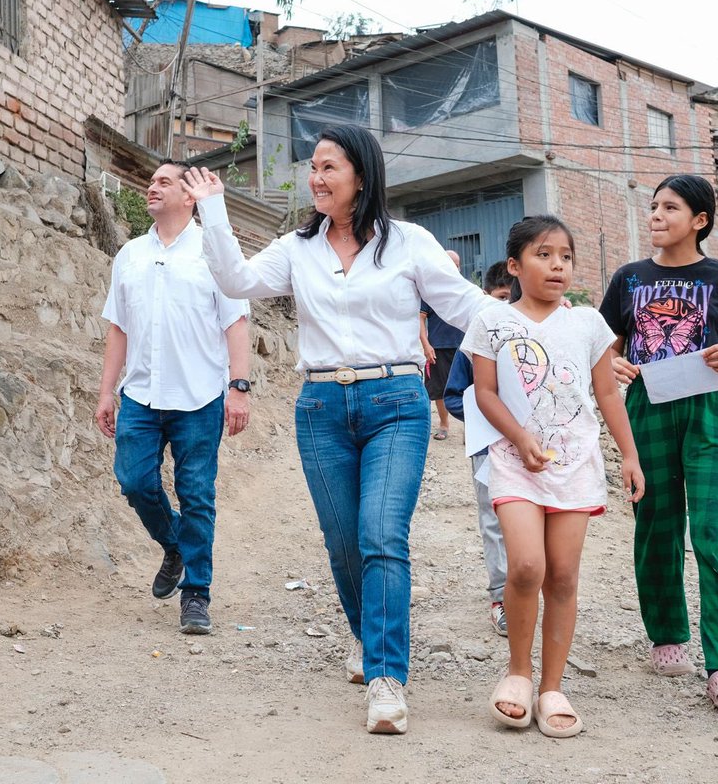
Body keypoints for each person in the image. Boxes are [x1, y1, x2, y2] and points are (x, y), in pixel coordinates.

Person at [180, 124, 493, 735]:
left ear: (361, 175)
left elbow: (467, 306)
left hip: (397, 400)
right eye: (314, 168)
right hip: (321, 406)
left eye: (329, 167)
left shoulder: (409, 243)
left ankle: (385, 677)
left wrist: (545, 326)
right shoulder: (298, 248)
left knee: (381, 534)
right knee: (344, 541)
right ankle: (366, 632)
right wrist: (213, 210)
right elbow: (236, 282)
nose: (316, 178)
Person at [463, 215, 644, 737]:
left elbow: (607, 393)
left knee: (562, 576)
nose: (557, 265)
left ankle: (552, 687)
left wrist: (628, 456)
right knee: (524, 566)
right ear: (515, 266)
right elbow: (485, 393)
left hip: (574, 464)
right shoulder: (491, 322)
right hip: (515, 462)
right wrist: (520, 438)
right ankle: (517, 674)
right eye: (544, 255)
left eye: (565, 256)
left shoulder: (588, 323)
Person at [598, 174, 718, 712]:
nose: (657, 215)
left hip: (710, 410)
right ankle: (666, 637)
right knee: (657, 525)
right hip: (647, 407)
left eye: (670, 207)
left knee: (712, 533)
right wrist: (616, 362)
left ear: (700, 220)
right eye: (653, 206)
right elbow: (607, 349)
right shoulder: (628, 279)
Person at [94, 159, 252, 636]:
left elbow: (236, 322)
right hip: (140, 394)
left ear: (189, 196)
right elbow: (118, 328)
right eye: (151, 180)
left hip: (199, 396)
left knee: (197, 495)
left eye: (163, 181)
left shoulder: (213, 251)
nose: (151, 186)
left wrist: (239, 387)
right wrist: (106, 391)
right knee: (134, 481)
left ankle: (197, 595)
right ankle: (176, 545)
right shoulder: (130, 255)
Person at [443, 261, 514, 636]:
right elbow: (454, 396)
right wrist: (486, 415)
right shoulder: (474, 343)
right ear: (486, 297)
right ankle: (502, 597)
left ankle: (531, 588)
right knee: (494, 518)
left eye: (512, 298)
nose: (507, 306)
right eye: (501, 298)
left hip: (536, 447)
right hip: (489, 447)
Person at [420, 250, 465, 440]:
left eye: (455, 265)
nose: (452, 268)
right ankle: (444, 425)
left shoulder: (466, 289)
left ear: (459, 267)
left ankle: (469, 428)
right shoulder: (430, 291)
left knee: (468, 389)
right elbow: (420, 320)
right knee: (439, 389)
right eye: (448, 264)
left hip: (464, 347)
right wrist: (426, 344)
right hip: (437, 346)